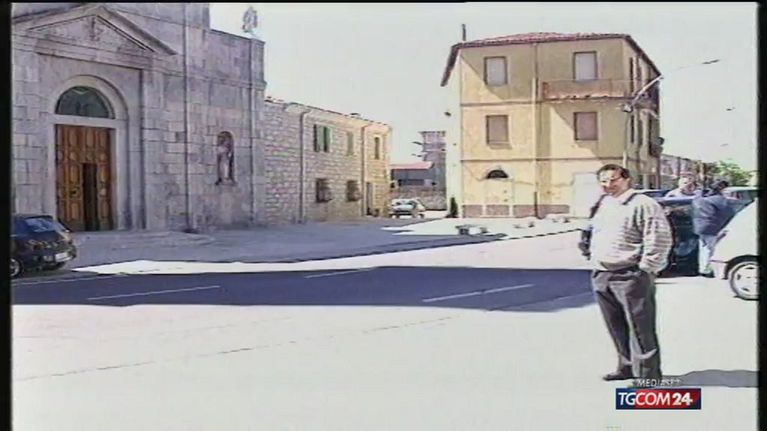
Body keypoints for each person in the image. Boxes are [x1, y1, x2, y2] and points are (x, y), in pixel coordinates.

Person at [587, 164, 673, 382]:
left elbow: (659, 237)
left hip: (630, 274)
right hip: (602, 272)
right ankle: (626, 366)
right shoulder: (603, 203)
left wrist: (646, 268)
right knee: (615, 325)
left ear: (626, 180)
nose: (608, 185)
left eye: (613, 180)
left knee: (640, 327)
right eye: (603, 181)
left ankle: (647, 375)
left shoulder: (643, 204)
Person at [692, 179, 735, 277]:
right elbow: (730, 213)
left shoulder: (700, 197)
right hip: (713, 227)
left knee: (704, 248)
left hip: (699, 226)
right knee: (711, 249)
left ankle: (703, 269)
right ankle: (708, 270)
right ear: (721, 188)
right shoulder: (720, 199)